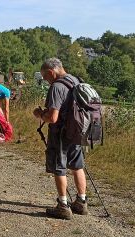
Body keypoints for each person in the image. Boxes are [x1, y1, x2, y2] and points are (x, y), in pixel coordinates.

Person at [33, 58, 88, 220]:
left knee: (59, 167)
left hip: (61, 133)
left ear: (51, 72)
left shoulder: (56, 87)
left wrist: (40, 114)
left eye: (45, 77)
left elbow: (53, 117)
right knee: (77, 166)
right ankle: (81, 202)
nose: (45, 80)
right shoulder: (76, 80)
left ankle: (63, 206)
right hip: (77, 130)